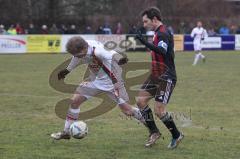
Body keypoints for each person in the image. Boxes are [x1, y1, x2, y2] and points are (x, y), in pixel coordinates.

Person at [51, 37, 148, 141]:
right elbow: (76, 58)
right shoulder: (81, 48)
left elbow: (112, 53)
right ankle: (66, 132)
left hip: (112, 82)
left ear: (84, 49)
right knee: (75, 101)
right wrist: (67, 70)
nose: (77, 57)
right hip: (95, 80)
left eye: (78, 54)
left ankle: (151, 126)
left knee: (127, 111)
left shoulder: (98, 51)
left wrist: (120, 59)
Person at [135, 7, 184, 149]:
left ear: (154, 19)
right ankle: (154, 132)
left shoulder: (163, 33)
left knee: (159, 110)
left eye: (146, 21)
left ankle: (176, 135)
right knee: (140, 100)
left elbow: (162, 51)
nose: (144, 25)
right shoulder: (157, 33)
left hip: (166, 76)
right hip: (156, 75)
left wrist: (144, 43)